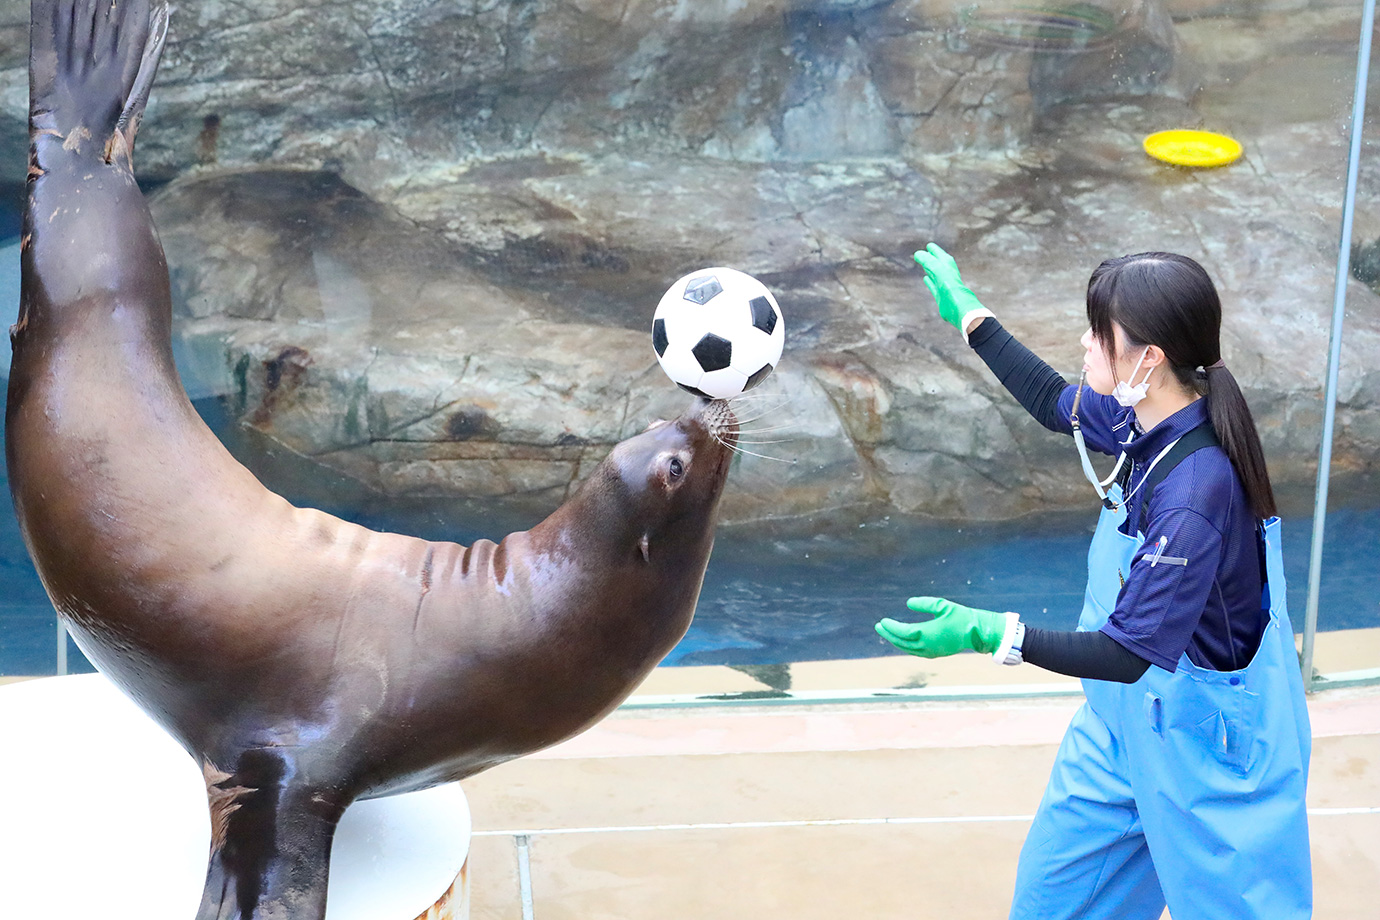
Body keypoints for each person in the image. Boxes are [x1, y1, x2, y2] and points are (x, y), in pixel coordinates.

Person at [876, 244, 1312, 920]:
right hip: (1118, 728)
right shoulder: (1148, 420)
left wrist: (992, 633)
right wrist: (972, 317)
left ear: (1149, 359)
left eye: (1098, 333)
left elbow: (1127, 653)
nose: (1084, 342)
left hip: (1208, 755)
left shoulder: (1196, 493)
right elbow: (1054, 400)